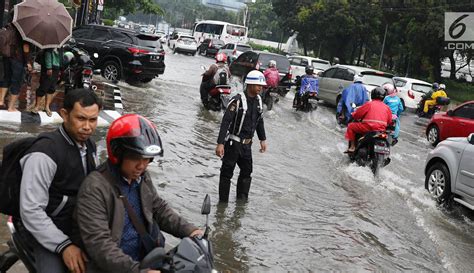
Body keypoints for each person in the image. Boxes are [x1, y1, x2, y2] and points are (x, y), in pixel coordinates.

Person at [74, 114, 203, 273]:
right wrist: (137, 270)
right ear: (118, 154)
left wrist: (191, 231)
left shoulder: (141, 178)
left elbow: (158, 209)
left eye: (147, 159)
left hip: (147, 259)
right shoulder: (95, 188)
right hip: (116, 267)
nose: (142, 166)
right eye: (136, 158)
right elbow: (100, 244)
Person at [19, 89, 102, 273]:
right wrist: (63, 245)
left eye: (93, 120)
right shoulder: (44, 153)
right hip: (45, 228)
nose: (88, 127)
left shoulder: (90, 146)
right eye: (81, 118)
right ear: (64, 114)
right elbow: (31, 210)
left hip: (78, 223)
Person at [216, 70, 267, 202]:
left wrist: (262, 139)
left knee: (246, 173)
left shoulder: (259, 101)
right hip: (233, 144)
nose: (260, 88)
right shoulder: (237, 100)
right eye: (258, 85)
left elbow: (259, 121)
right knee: (226, 174)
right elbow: (226, 121)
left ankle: (241, 202)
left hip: (247, 146)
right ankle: (222, 204)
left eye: (261, 86)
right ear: (250, 85)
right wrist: (220, 143)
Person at [345, 87, 392, 153]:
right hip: (381, 130)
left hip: (368, 128)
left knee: (350, 126)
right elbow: (389, 121)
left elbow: (357, 115)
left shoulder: (369, 104)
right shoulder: (387, 107)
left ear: (372, 95)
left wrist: (353, 115)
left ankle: (352, 147)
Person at [0, 22, 32, 112]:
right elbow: (26, 48)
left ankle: (1, 101)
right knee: (16, 82)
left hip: (6, 57)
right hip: (18, 59)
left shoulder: (8, 27)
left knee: (6, 78)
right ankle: (11, 107)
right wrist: (28, 62)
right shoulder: (23, 30)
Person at [33, 48, 61, 116]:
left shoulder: (60, 47)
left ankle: (47, 107)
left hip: (56, 68)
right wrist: (49, 67)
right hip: (48, 68)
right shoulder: (49, 46)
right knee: (43, 86)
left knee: (51, 88)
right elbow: (47, 55)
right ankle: (37, 106)